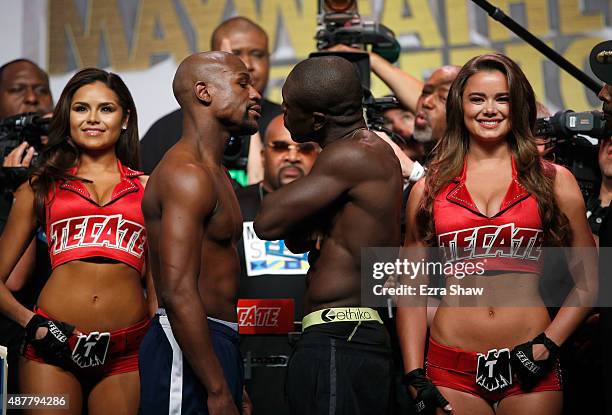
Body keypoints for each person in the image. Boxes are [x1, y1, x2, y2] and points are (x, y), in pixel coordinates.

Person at [397, 53, 596, 415]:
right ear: (460, 105)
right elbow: (410, 288)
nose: (490, 109)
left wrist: (547, 346)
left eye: (501, 98)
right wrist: (414, 374)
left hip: (530, 363)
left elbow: (593, 280)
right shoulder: (429, 187)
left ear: (517, 105)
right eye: (477, 99)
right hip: (449, 367)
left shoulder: (554, 181)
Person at [0, 67, 154, 414]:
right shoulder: (39, 187)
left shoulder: (149, 188)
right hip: (48, 351)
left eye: (106, 108)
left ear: (125, 118)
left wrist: (163, 344)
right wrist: (33, 324)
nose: (93, 119)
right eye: (81, 108)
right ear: (67, 117)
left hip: (127, 352)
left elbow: (158, 286)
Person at [254, 55, 402, 415]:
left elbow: (268, 223)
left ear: (318, 120)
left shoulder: (350, 156)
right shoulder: (358, 153)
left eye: (290, 108)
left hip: (341, 336)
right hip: (347, 336)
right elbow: (295, 239)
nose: (284, 115)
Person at [139, 51, 261, 415]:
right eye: (242, 83)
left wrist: (230, 383)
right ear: (204, 93)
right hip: (186, 343)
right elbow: (176, 292)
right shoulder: (185, 174)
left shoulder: (214, 172)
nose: (255, 93)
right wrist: (217, 387)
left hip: (214, 340)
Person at [236, 114, 319, 415]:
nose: (293, 156)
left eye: (305, 148)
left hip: (321, 360)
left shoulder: (337, 211)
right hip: (250, 364)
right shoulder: (234, 206)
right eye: (281, 147)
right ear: (262, 154)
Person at [140, 16, 281, 179]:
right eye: (234, 54)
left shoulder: (286, 124)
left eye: (257, 54)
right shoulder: (165, 131)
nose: (248, 64)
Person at [0, 58, 54, 396]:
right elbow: (15, 276)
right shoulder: (12, 183)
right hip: (11, 340)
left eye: (41, 90)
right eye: (18, 89)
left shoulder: (72, 163)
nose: (32, 98)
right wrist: (17, 189)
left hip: (63, 339)